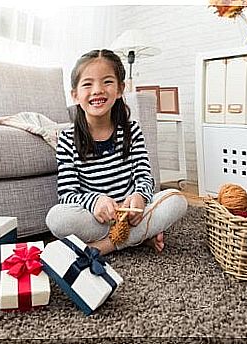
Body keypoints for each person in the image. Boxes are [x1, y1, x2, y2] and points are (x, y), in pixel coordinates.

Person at [46, 49, 187, 255]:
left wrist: (139, 196)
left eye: (107, 82)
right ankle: (138, 236)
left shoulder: (132, 130)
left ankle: (103, 246)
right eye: (88, 84)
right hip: (97, 219)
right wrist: (95, 201)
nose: (97, 90)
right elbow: (67, 195)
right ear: (75, 95)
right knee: (57, 218)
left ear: (120, 89)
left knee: (177, 200)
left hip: (132, 214)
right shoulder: (67, 139)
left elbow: (144, 177)